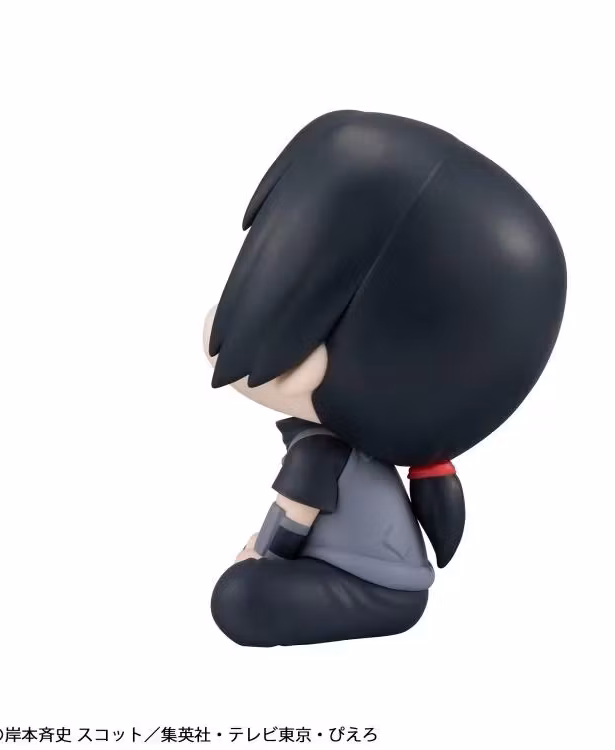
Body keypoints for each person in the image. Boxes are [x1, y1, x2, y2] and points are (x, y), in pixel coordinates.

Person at [203, 110, 567, 647]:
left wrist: (260, 557)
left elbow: (291, 522)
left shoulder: (321, 452)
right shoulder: (344, 449)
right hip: (383, 584)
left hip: (375, 593)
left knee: (239, 598)